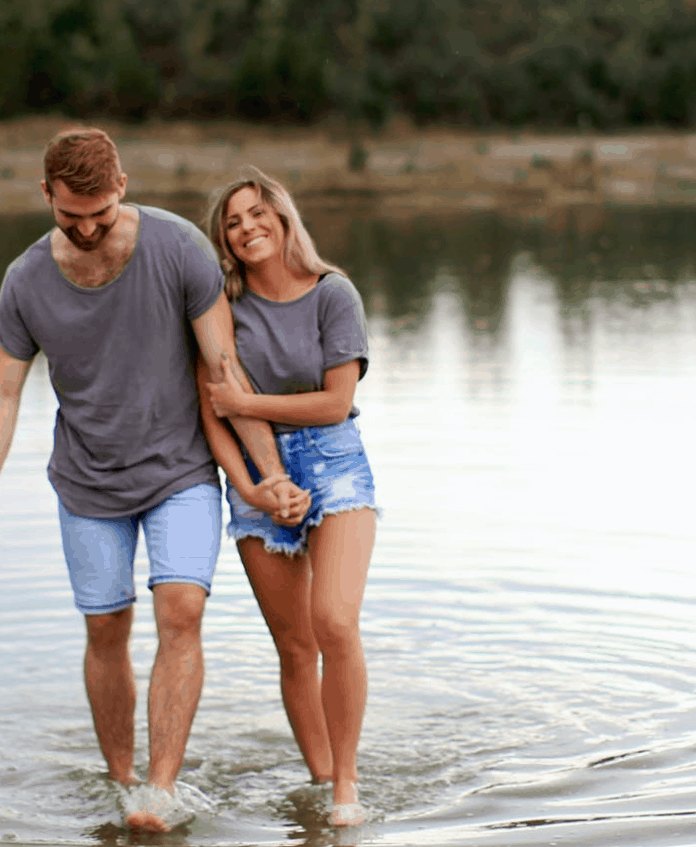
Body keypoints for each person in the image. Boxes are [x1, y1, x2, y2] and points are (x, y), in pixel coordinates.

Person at [0, 129, 310, 833]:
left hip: (179, 467)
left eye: (99, 212)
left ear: (121, 184)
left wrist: (267, 477)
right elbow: (2, 390)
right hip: (86, 481)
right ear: (46, 195)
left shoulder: (179, 249)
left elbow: (224, 371)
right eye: (69, 216)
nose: (86, 228)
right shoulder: (25, 280)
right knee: (105, 627)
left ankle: (159, 788)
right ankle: (122, 782)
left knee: (182, 609)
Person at [197, 166, 379, 827]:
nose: (246, 228)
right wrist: (251, 486)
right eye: (232, 222)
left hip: (336, 465)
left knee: (334, 620)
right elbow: (210, 412)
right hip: (254, 478)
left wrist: (249, 400)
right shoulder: (221, 308)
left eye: (255, 213)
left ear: (282, 215)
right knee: (296, 646)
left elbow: (337, 401)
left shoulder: (334, 294)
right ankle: (323, 776)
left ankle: (347, 788)